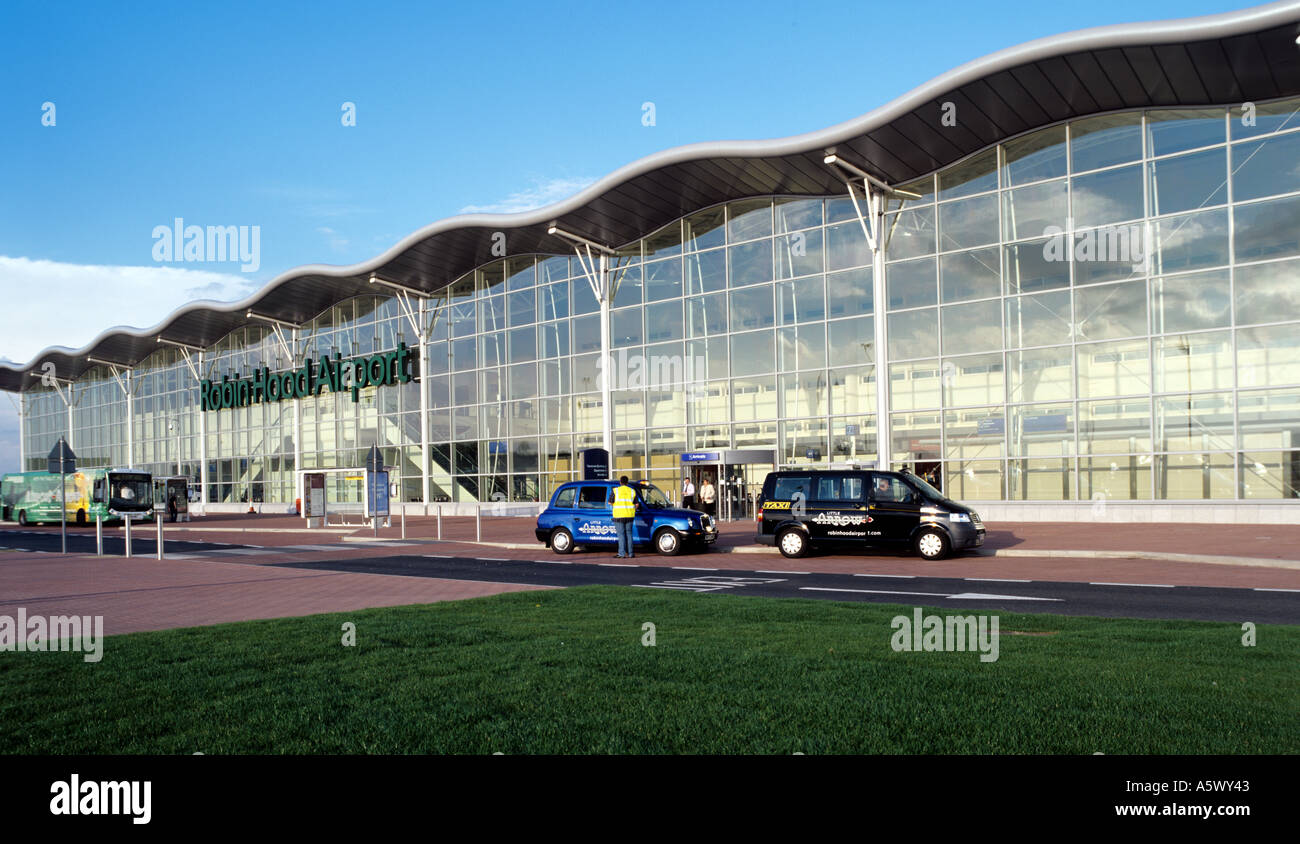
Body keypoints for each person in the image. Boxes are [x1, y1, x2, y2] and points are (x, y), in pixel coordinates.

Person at [610, 475, 638, 558]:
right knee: (629, 534)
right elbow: (637, 504)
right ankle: (631, 553)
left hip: (619, 515)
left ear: (620, 482)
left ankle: (622, 554)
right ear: (627, 482)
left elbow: (610, 502)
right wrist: (633, 510)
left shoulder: (615, 490)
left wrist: (616, 505)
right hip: (630, 515)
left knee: (621, 534)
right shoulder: (632, 491)